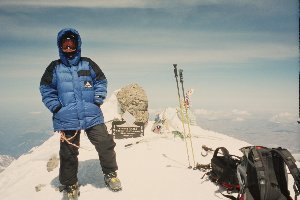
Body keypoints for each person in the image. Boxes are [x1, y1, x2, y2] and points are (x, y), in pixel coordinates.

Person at [39, 28, 121, 198]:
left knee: (105, 144)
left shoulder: (87, 63)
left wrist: (97, 99)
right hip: (67, 118)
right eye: (65, 45)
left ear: (77, 45)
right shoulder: (54, 67)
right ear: (60, 46)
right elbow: (46, 89)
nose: (68, 48)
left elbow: (101, 80)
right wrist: (56, 107)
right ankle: (70, 185)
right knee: (68, 153)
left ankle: (110, 174)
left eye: (71, 44)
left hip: (92, 115)